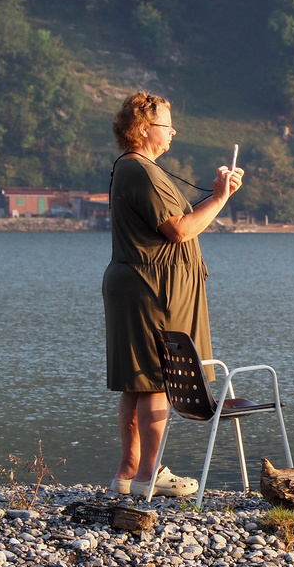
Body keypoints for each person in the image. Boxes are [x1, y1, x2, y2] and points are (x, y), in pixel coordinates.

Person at [103, 92, 243, 496]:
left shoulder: (132, 169)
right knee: (158, 379)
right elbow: (179, 230)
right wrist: (220, 198)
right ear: (145, 128)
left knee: (137, 380)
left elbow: (171, 221)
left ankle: (127, 474)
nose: (173, 131)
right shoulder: (143, 172)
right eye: (168, 123)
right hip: (153, 290)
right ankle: (150, 474)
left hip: (138, 283)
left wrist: (217, 195)